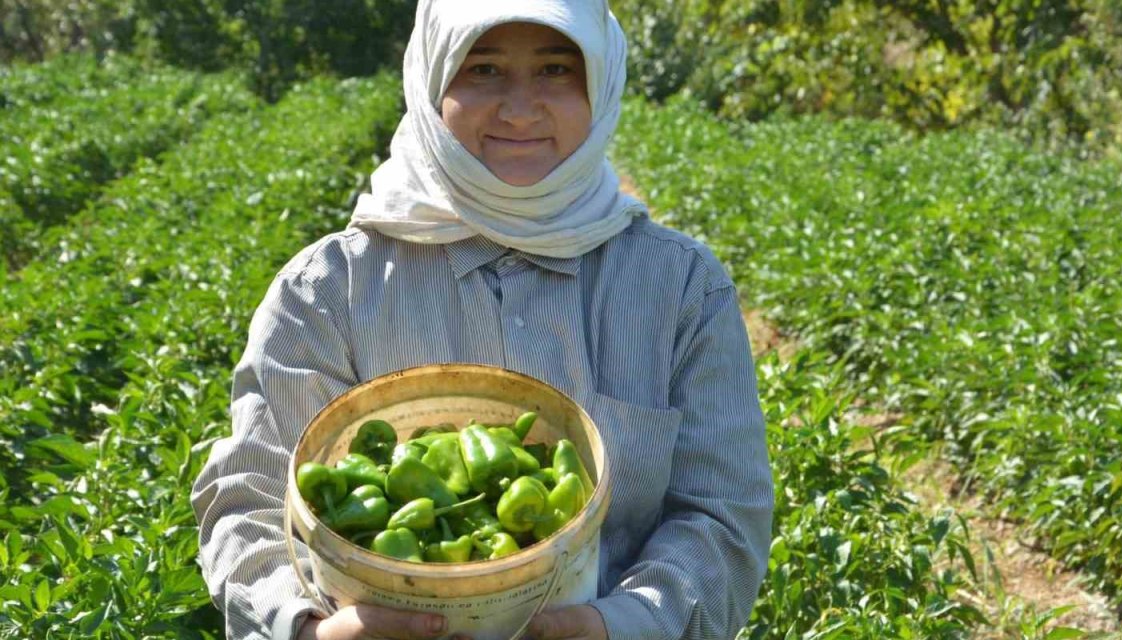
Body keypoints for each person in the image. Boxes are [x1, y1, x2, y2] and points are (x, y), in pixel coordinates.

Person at [190, 1, 774, 639]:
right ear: (432, 79)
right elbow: (250, 496)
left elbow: (720, 516)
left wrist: (622, 624)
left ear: (601, 83)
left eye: (555, 69)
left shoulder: (683, 289)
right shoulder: (329, 289)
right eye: (484, 69)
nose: (520, 109)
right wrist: (306, 629)